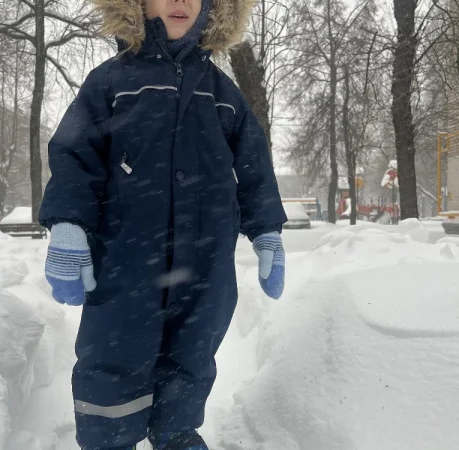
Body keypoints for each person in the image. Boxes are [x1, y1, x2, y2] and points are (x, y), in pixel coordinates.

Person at [38, 0, 287, 448]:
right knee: (114, 351)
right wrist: (69, 224)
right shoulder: (111, 81)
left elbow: (254, 165)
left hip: (206, 261)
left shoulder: (222, 92)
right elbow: (75, 155)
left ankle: (176, 432)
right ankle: (110, 438)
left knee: (193, 350)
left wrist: (267, 230)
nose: (180, 2)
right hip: (126, 256)